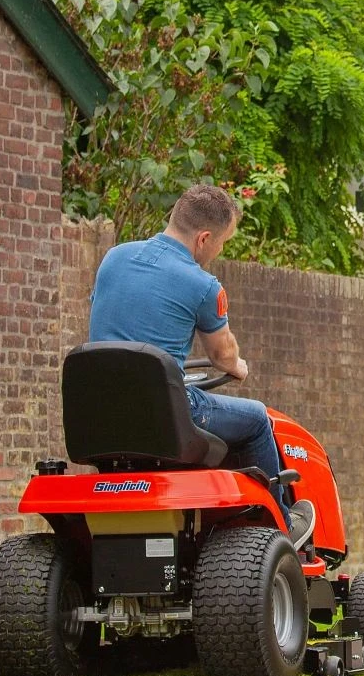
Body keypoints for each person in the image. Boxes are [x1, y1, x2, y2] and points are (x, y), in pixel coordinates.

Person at [88, 184, 314, 546]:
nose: (220, 250)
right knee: (256, 418)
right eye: (223, 242)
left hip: (99, 415)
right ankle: (280, 531)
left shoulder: (114, 258)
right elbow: (222, 355)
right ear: (204, 238)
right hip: (164, 414)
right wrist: (238, 366)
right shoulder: (202, 285)